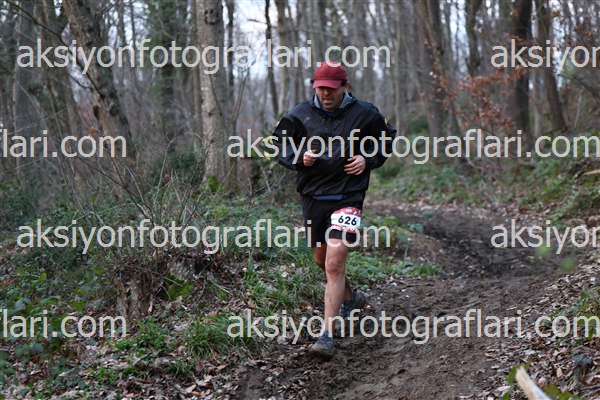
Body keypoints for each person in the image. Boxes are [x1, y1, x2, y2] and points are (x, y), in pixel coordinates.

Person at [273, 61, 396, 360]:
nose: (325, 94)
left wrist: (367, 158)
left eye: (330, 88)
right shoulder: (300, 114)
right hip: (314, 195)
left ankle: (326, 335)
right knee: (321, 259)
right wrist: (299, 157)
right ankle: (351, 297)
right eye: (320, 88)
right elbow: (280, 145)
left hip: (348, 194)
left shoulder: (364, 113)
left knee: (334, 260)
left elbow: (386, 140)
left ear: (344, 86)